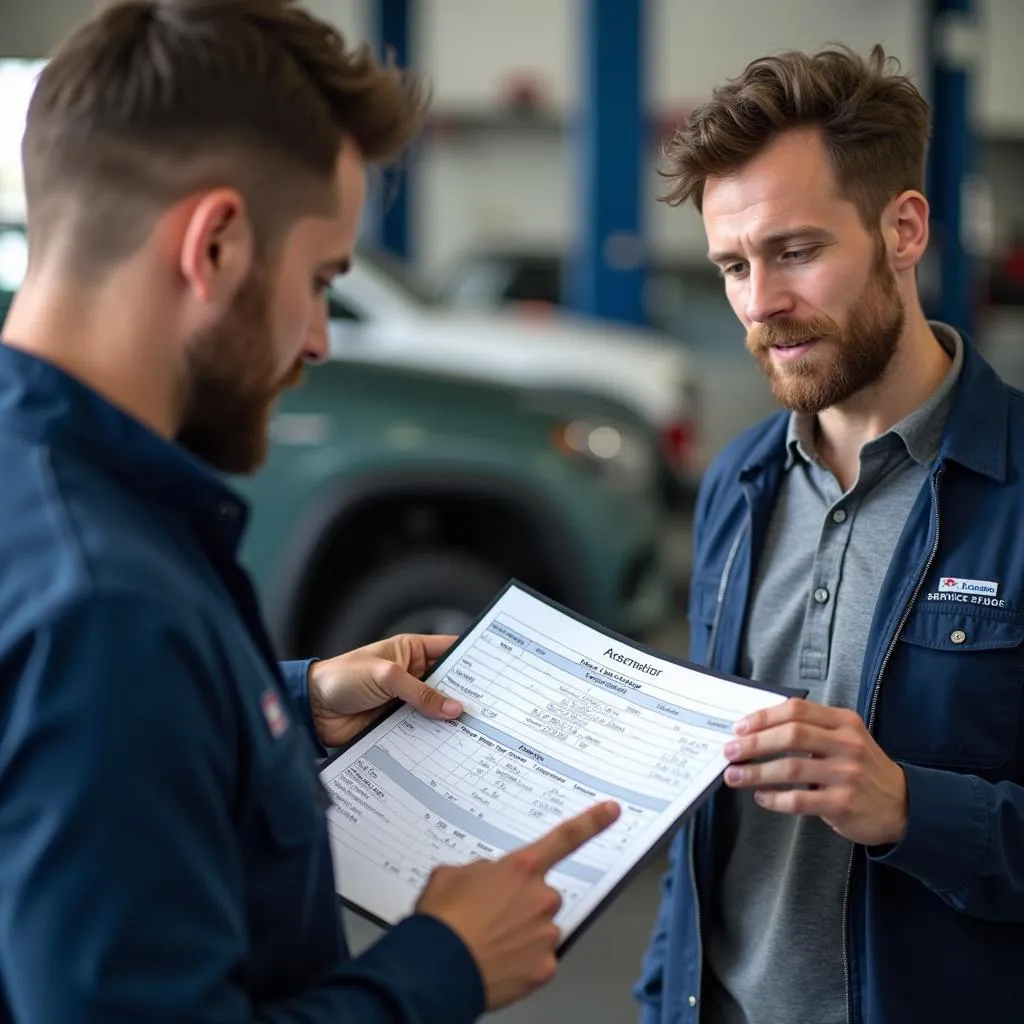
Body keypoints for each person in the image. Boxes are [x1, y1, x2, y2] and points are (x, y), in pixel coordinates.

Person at [0, 1, 621, 1021]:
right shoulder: (108, 610)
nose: (322, 338)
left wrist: (292, 701)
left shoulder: (56, 507)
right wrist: (442, 965)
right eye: (323, 280)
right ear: (216, 245)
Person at [635, 44, 1024, 1024]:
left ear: (902, 228)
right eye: (732, 264)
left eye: (795, 251)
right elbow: (704, 826)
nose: (759, 305)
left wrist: (910, 807)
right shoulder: (738, 481)